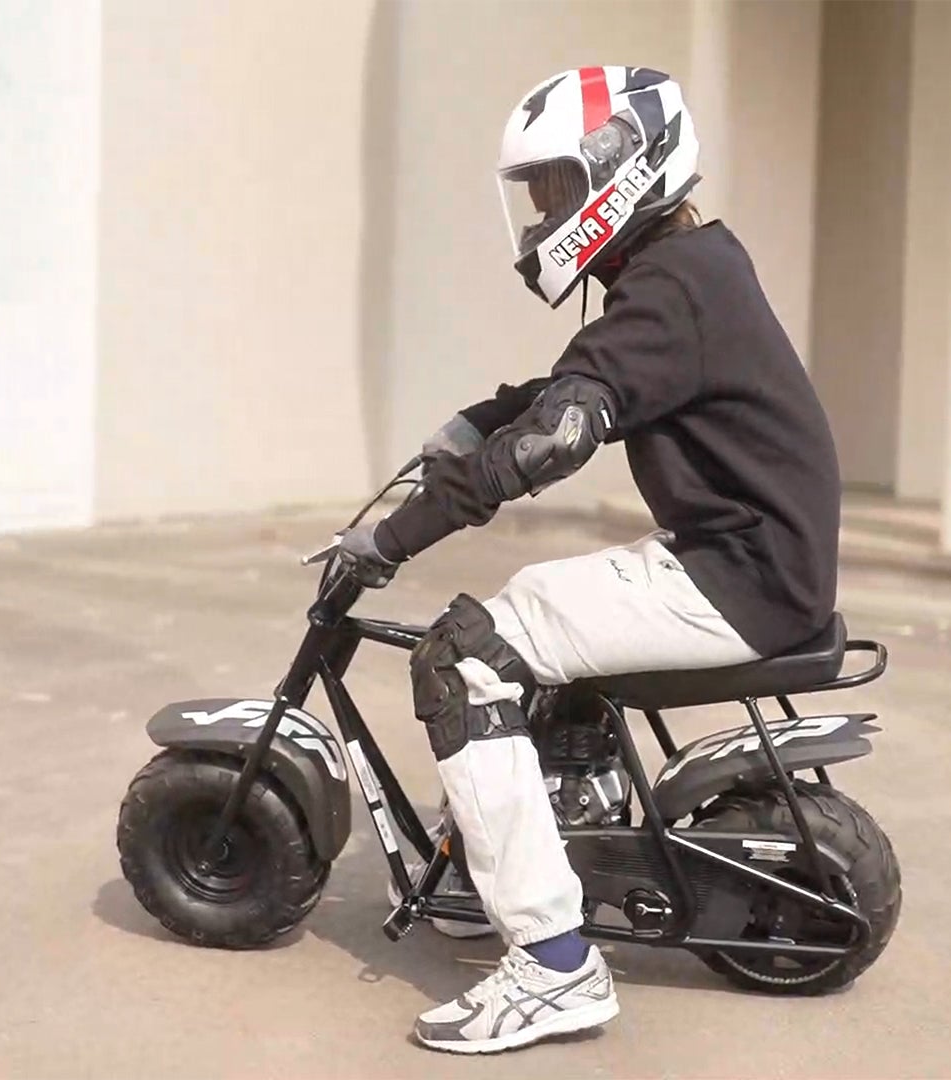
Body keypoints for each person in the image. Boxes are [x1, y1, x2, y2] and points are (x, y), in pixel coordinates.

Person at [338, 66, 843, 1054]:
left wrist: (391, 539)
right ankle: (514, 856)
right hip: (751, 559)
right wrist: (481, 415)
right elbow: (600, 373)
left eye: (557, 190)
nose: (542, 217)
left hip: (739, 578)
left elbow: (556, 437)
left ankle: (554, 964)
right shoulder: (687, 269)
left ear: (624, 171)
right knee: (534, 608)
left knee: (463, 655)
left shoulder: (669, 289)